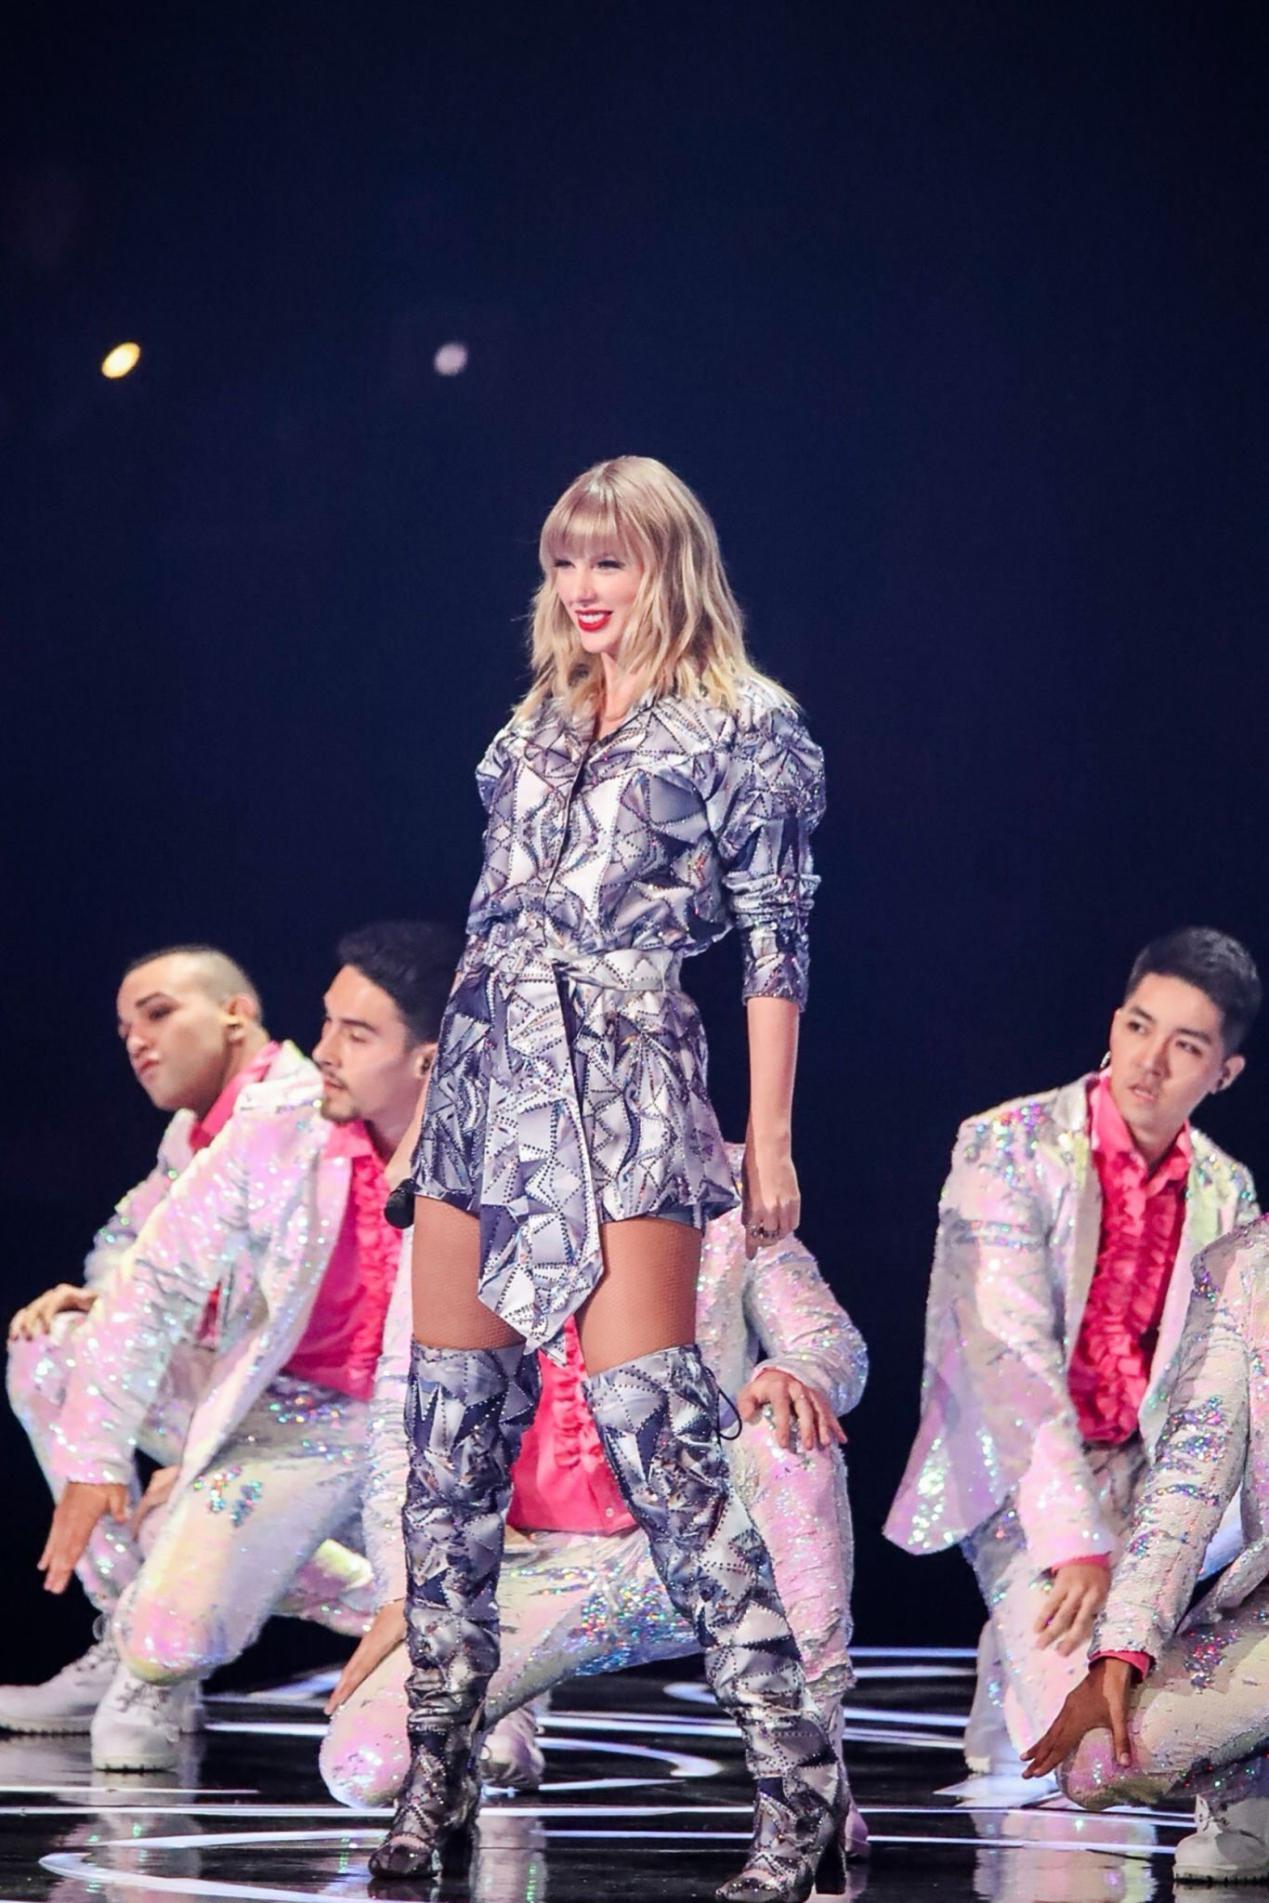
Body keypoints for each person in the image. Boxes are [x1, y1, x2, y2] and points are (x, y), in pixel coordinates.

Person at [370, 455, 842, 1903]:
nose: (582, 586)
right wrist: (433, 1111)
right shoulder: (534, 716)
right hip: (484, 1081)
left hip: (628, 1084)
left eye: (612, 560)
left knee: (665, 1443)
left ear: (668, 566)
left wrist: (767, 1132)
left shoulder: (749, 725)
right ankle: (437, 1774)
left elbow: (775, 936)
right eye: (566, 559)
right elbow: (490, 916)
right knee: (449, 1448)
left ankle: (800, 1785)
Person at [323, 1144, 868, 1871]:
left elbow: (829, 1339)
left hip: (691, 1550)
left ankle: (814, 1767)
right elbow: (407, 1409)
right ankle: (467, 1749)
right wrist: (406, 1588)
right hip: (522, 1569)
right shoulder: (459, 1190)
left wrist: (794, 1371)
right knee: (367, 1766)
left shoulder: (712, 1179)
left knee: (788, 1436)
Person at [35, 922, 459, 1772]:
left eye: (356, 1033)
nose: (322, 1049)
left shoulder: (501, 1154)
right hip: (296, 1417)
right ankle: (140, 1644)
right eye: (328, 1021)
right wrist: (93, 1454)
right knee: (150, 1675)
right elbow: (154, 1275)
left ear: (427, 1058)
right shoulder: (279, 1129)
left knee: (396, 1761)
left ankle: (472, 1663)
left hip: (437, 1432)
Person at [885, 927, 1260, 1774]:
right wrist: (1074, 1543)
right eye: (1137, 1025)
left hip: (1146, 1475)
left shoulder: (1226, 1186)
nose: (1147, 1062)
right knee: (1094, 1745)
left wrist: (1153, 1538)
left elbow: (1214, 1387)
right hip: (1019, 1466)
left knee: (1150, 1693)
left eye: (1184, 1045)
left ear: (1223, 1072)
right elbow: (1007, 1360)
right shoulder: (1005, 1144)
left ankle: (1010, 1693)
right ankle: (1026, 1641)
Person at [3, 946, 368, 1735]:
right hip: (233, 1397)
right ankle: (127, 1632)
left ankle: (449, 1627)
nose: (138, 1040)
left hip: (328, 1411)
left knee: (186, 1515)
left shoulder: (304, 1108)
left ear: (236, 1013)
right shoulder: (187, 1137)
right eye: (124, 1029)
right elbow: (133, 1248)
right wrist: (103, 1296)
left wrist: (201, 1456)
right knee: (52, 1346)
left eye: (159, 1013)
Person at [1022, 1210, 1269, 1883]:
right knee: (1098, 1760)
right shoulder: (1243, 1266)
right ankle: (1256, 1783)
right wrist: (1121, 1651)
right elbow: (1189, 1475)